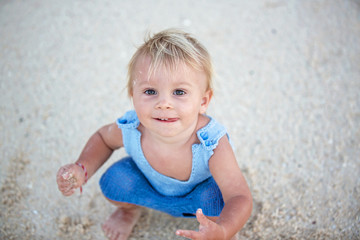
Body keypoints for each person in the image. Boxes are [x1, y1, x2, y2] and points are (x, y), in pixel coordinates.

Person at [56, 28, 252, 240]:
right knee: (115, 182)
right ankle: (129, 211)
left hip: (197, 200)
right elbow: (103, 139)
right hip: (148, 191)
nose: (164, 103)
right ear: (133, 95)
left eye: (179, 92)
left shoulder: (211, 143)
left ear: (203, 101)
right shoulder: (132, 128)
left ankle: (216, 230)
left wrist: (224, 230)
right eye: (150, 91)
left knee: (217, 200)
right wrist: (82, 167)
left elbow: (239, 196)